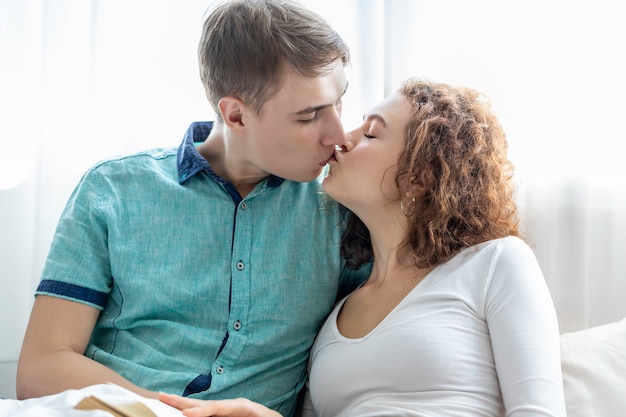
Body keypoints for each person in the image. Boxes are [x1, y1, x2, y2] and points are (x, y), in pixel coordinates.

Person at [15, 1, 369, 416]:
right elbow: (41, 367)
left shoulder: (341, 207)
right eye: (309, 116)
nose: (338, 134)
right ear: (235, 115)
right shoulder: (112, 189)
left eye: (339, 101)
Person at [159, 78, 566, 416]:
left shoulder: (496, 263)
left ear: (418, 177)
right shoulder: (336, 311)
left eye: (369, 133)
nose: (340, 139)